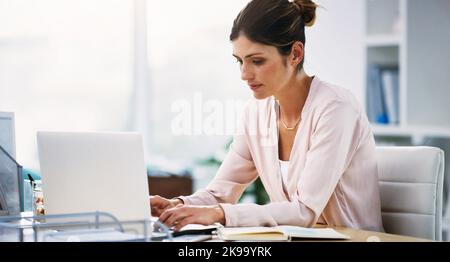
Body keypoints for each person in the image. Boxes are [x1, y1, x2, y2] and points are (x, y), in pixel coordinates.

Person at [150, 0, 383, 232]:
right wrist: (179, 205)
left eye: (257, 61)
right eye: (239, 61)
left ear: (295, 53)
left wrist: (220, 214)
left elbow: (304, 211)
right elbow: (221, 192)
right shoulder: (256, 113)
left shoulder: (336, 108)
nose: (244, 74)